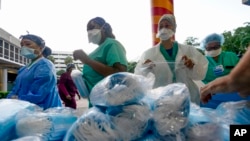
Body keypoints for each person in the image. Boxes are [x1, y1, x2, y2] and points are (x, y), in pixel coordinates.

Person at [134, 14, 208, 105]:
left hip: (187, 96)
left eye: (167, 25)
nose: (163, 29)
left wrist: (192, 66)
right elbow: (139, 78)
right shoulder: (149, 54)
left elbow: (200, 75)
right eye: (161, 26)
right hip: (161, 98)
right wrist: (145, 68)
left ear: (174, 28)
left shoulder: (188, 50)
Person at [73, 17, 128, 107]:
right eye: (88, 30)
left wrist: (87, 60)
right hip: (96, 105)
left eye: (92, 27)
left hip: (109, 105)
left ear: (104, 28)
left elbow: (120, 75)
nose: (90, 32)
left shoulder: (112, 44)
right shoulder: (97, 50)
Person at [7, 34, 62, 110]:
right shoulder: (24, 69)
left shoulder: (45, 65)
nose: (24, 47)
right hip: (24, 108)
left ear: (41, 47)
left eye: (28, 44)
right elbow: (15, 88)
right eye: (22, 45)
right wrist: (10, 99)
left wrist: (18, 99)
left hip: (44, 110)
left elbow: (39, 94)